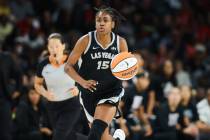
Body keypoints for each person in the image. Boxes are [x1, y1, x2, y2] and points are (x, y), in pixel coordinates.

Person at [64, 6, 129, 140]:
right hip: (89, 93)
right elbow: (68, 67)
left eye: (105, 20)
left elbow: (126, 70)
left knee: (93, 136)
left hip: (110, 91)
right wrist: (82, 82)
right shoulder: (85, 40)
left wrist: (130, 69)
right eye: (98, 20)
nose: (101, 23)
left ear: (113, 24)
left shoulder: (120, 43)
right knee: (102, 137)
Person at [34, 33, 81, 140]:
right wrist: (45, 93)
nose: (54, 49)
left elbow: (85, 77)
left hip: (71, 105)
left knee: (59, 136)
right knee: (68, 136)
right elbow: (37, 84)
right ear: (47, 47)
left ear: (63, 46)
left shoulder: (73, 62)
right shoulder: (43, 65)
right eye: (51, 47)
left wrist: (78, 88)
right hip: (52, 106)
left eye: (57, 46)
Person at [0, 48, 22, 140]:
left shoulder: (7, 58)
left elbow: (18, 74)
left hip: (4, 100)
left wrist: (18, 90)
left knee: (5, 133)